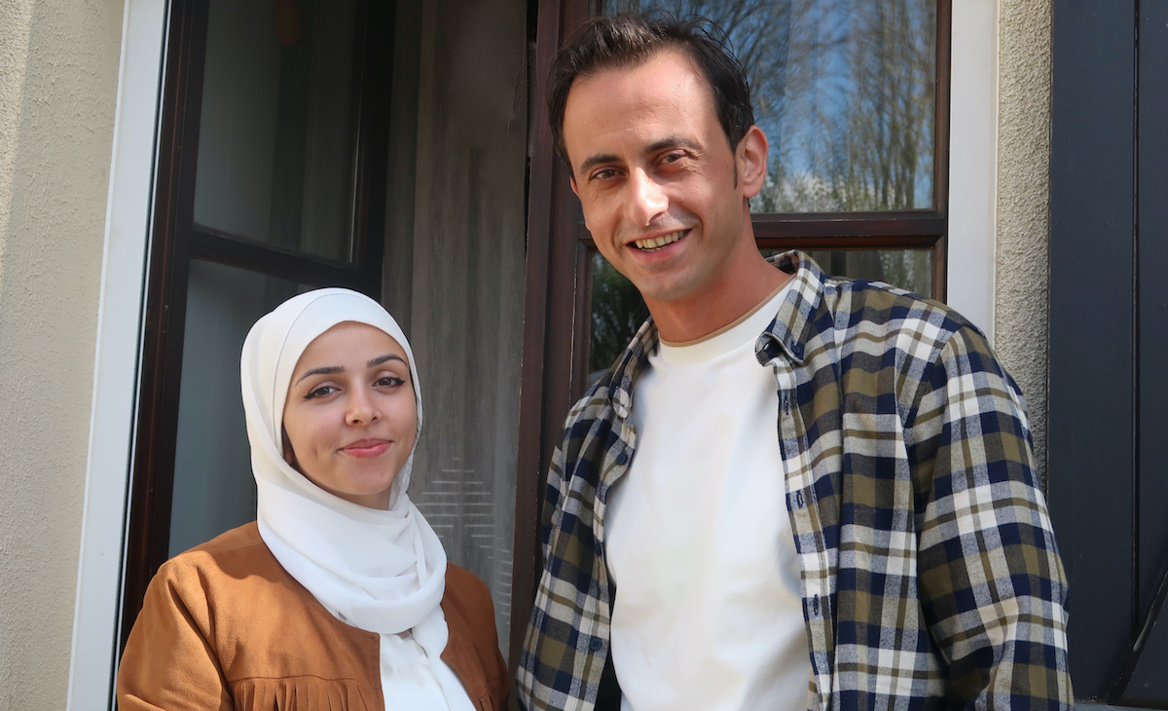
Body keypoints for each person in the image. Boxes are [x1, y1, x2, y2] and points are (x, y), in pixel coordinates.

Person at [518, 12, 1072, 711]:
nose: (644, 203)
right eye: (606, 173)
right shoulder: (590, 434)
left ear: (748, 161)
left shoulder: (920, 367)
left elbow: (1015, 676)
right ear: (580, 197)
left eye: (672, 159)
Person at [118, 288, 509, 710]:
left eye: (388, 381)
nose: (363, 410)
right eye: (323, 390)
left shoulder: (465, 599)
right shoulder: (201, 597)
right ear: (276, 430)